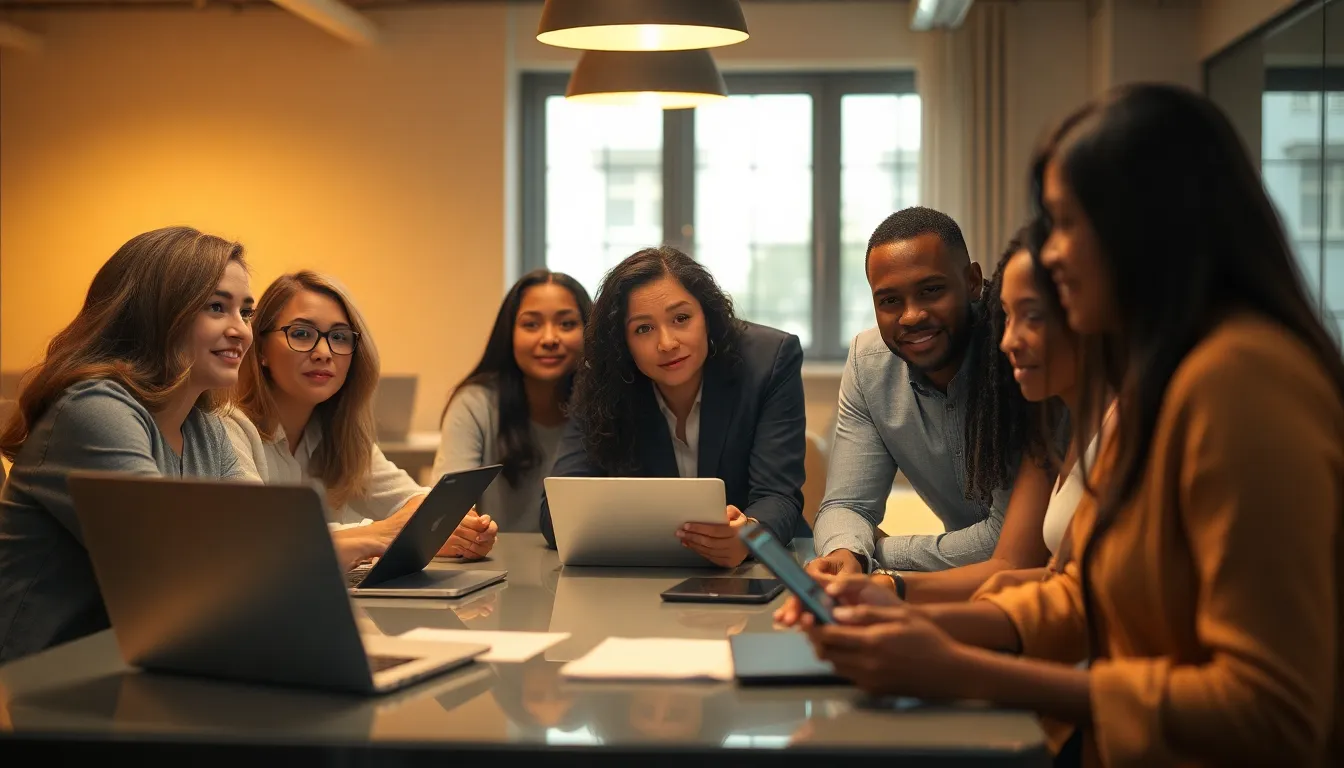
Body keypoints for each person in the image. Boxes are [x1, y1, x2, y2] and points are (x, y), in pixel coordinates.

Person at [801, 83, 1344, 766]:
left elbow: (1271, 710)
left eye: (1065, 222)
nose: (1050, 255)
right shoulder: (1153, 379)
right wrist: (903, 614)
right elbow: (1084, 591)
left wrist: (958, 664)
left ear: (1145, 226)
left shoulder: (1242, 378)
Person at [0, 228, 330, 661]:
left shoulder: (205, 425)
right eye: (216, 308)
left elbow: (260, 555)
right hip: (37, 691)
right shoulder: (93, 408)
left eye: (245, 313)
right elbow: (176, 575)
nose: (241, 332)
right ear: (154, 314)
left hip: (143, 668)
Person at [539, 246, 807, 567]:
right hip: (643, 581)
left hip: (755, 573)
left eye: (681, 318)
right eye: (643, 328)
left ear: (707, 316)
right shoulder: (603, 378)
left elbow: (779, 497)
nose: (667, 343)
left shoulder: (769, 361)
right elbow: (557, 513)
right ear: (622, 343)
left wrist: (748, 537)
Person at [224, 271, 496, 559]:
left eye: (339, 337)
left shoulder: (337, 433)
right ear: (260, 347)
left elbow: (412, 499)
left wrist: (464, 528)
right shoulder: (230, 428)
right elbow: (264, 539)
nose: (323, 352)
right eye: (302, 334)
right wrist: (382, 533)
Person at [810, 206, 1021, 579]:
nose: (911, 316)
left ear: (973, 281)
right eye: (890, 300)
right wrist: (847, 552)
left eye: (931, 290)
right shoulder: (868, 364)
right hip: (960, 591)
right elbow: (846, 505)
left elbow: (1006, 542)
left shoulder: (1017, 355)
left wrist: (877, 552)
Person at [432, 269, 592, 532]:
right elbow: (447, 511)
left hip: (581, 567)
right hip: (494, 564)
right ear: (509, 333)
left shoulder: (606, 408)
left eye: (566, 324)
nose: (549, 339)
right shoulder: (475, 403)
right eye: (531, 324)